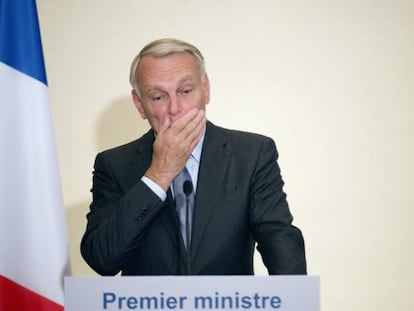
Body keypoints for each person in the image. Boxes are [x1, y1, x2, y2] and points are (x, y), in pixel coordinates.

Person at [81, 38, 307, 276]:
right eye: (158, 97)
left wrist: (294, 298)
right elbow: (102, 260)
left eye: (186, 91)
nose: (175, 108)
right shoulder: (113, 165)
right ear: (140, 105)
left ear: (206, 89)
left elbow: (279, 239)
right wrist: (159, 174)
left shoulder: (252, 154)